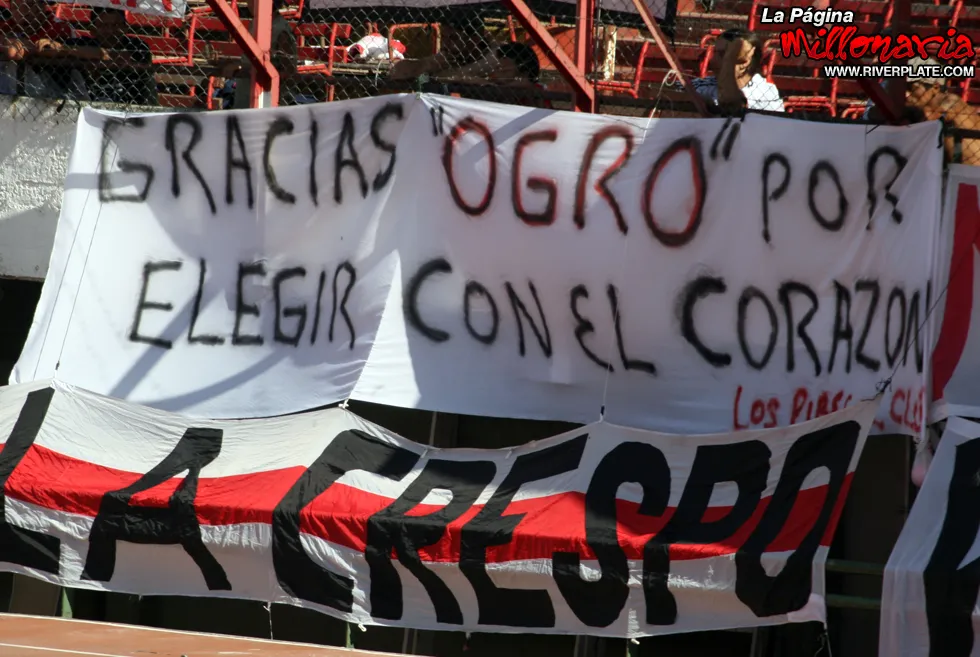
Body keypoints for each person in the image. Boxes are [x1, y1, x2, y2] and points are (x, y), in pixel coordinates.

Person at [63, 7, 158, 106]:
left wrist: (103, 57)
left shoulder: (137, 46)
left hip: (129, 103)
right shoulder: (84, 43)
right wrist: (95, 53)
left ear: (126, 28)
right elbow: (57, 48)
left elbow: (145, 69)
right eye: (103, 25)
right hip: (89, 103)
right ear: (92, 30)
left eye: (116, 25)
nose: (110, 31)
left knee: (149, 78)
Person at [217, 0, 297, 109]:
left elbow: (289, 71)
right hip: (246, 94)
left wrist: (248, 71)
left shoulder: (280, 29)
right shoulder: (255, 23)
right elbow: (250, 59)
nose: (248, 3)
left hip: (267, 98)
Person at [0, 0, 86, 99]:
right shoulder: (6, 26)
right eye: (16, 7)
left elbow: (15, 51)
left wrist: (12, 42)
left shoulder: (58, 27)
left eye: (29, 5)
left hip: (50, 90)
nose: (23, 12)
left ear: (42, 6)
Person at [684, 28, 784, 113]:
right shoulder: (702, 84)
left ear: (746, 61)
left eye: (723, 55)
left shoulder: (765, 93)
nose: (713, 60)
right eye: (715, 53)